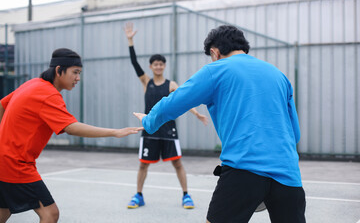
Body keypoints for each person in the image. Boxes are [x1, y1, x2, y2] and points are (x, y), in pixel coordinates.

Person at [134, 25, 306, 223]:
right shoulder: (279, 76)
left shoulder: (216, 70)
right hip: (288, 172)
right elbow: (295, 133)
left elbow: (173, 103)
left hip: (244, 169)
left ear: (214, 52)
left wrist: (148, 121)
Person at [0, 48, 143, 223]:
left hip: (4, 160)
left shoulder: (33, 84)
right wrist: (115, 132)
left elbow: (2, 105)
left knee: (3, 212)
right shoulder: (48, 94)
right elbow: (70, 127)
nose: (78, 78)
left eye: (79, 73)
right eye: (75, 72)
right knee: (50, 214)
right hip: (16, 164)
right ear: (59, 70)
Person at [123, 22, 208, 210]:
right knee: (143, 165)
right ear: (151, 66)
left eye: (161, 64)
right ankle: (139, 195)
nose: (159, 66)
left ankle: (186, 196)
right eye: (155, 64)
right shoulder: (146, 81)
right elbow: (134, 64)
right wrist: (130, 41)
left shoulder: (172, 84)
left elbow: (184, 101)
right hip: (149, 129)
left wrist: (196, 114)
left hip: (168, 130)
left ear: (164, 66)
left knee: (177, 164)